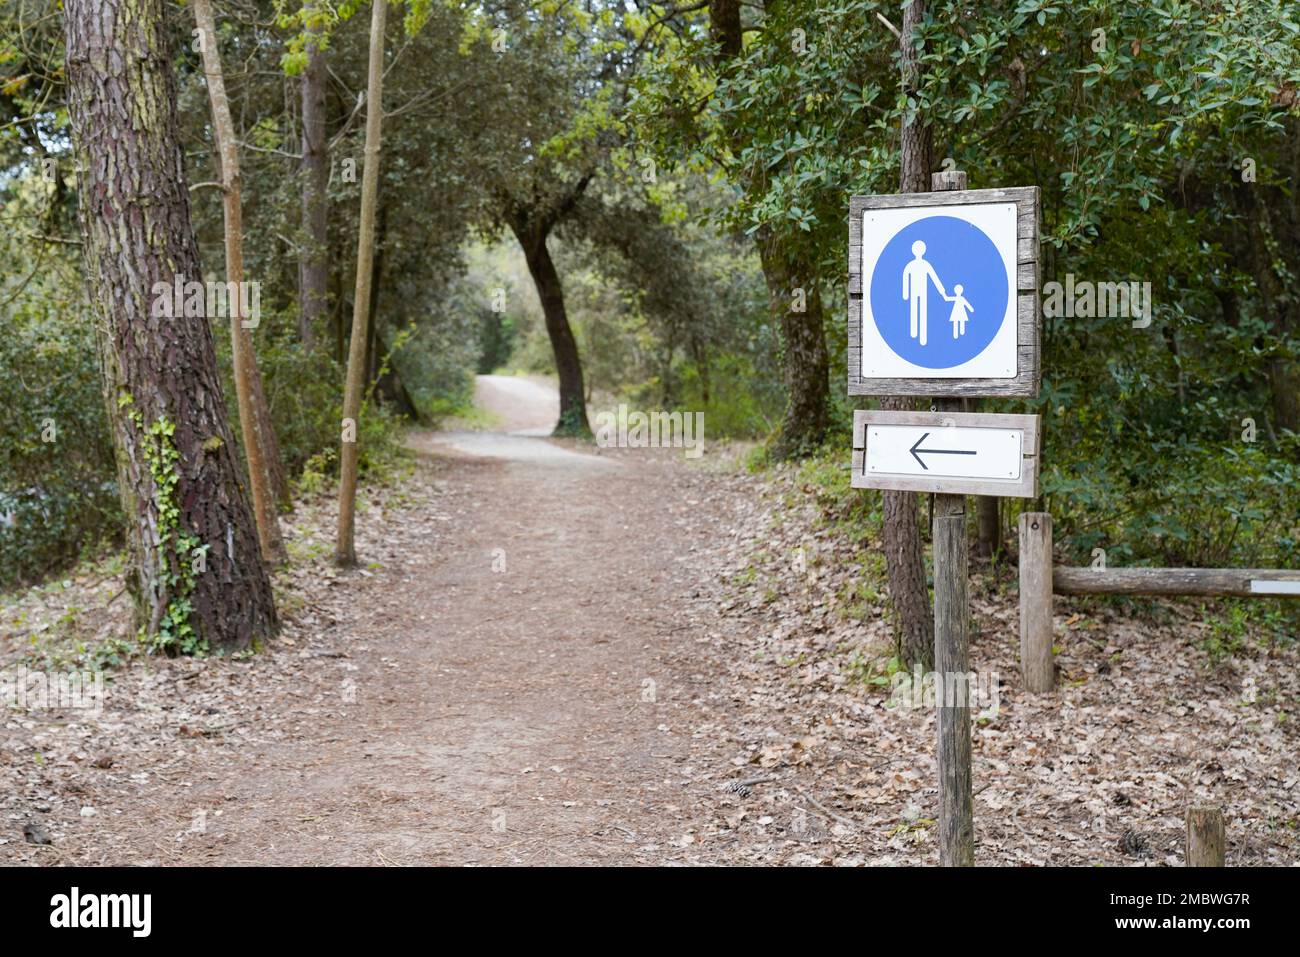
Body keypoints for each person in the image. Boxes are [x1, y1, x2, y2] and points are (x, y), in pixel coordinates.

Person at [901, 240, 946, 347]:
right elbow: (906, 278)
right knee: (915, 310)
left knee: (922, 311)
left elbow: (935, 279)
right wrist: (905, 293)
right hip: (914, 291)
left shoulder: (925, 264)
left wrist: (942, 292)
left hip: (922, 291)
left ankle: (922, 336)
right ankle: (914, 332)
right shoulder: (911, 265)